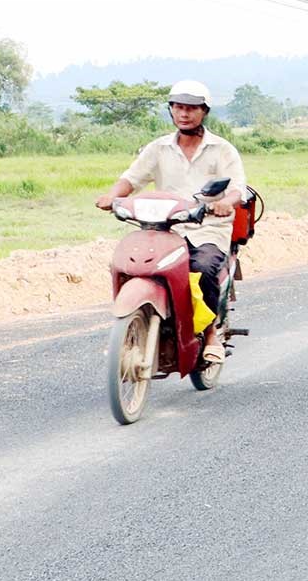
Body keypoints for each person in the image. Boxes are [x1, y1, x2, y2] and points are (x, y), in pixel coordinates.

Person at [96, 79, 246, 377]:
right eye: (178, 107)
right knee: (135, 264)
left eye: (191, 108)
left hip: (208, 230)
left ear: (204, 112)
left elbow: (236, 190)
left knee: (202, 268)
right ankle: (134, 327)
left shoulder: (222, 150)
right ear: (171, 111)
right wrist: (113, 195)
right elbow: (133, 177)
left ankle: (211, 333)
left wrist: (225, 203)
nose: (184, 114)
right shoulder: (158, 148)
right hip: (165, 229)